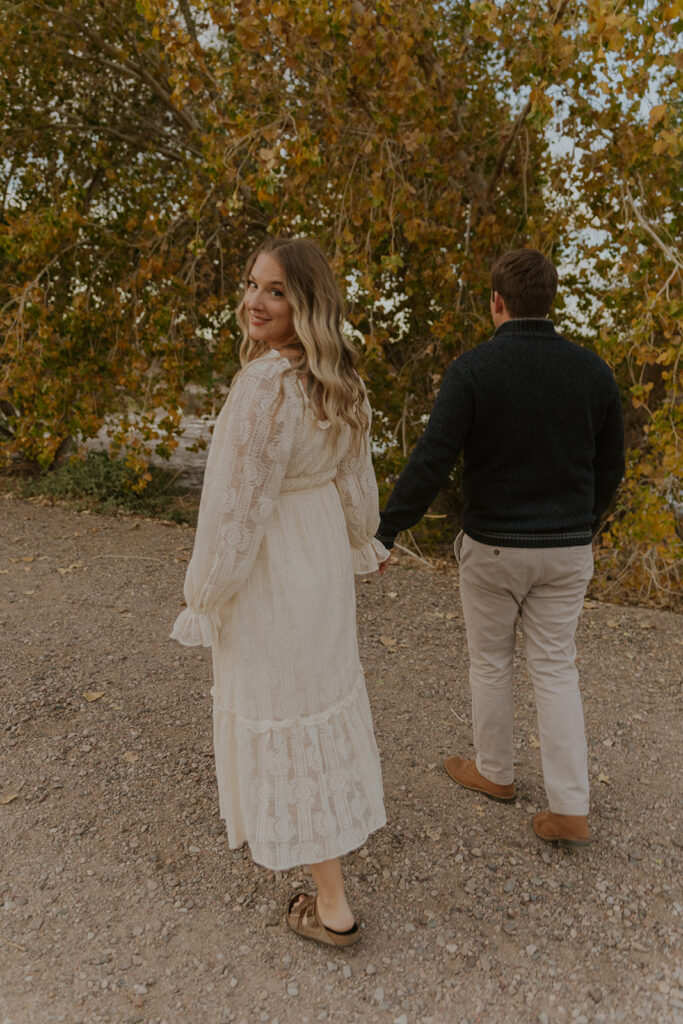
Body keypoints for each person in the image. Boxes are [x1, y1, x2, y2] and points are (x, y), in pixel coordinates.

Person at [171, 237, 388, 945]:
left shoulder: (266, 385)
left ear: (305, 303)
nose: (254, 301)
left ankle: (332, 905)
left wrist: (204, 594)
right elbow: (356, 490)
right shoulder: (337, 379)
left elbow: (235, 507)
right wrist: (359, 540)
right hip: (319, 558)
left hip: (274, 569)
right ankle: (327, 877)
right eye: (250, 284)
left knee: (287, 708)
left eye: (273, 290)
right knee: (315, 701)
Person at [376, 249, 624, 848]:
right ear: (552, 300)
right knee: (555, 667)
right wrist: (581, 524)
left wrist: (385, 530)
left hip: (492, 550)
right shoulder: (593, 372)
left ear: (496, 301)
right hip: (567, 549)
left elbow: (432, 461)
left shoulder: (473, 371)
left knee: (491, 660)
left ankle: (496, 773)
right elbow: (611, 466)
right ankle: (569, 806)